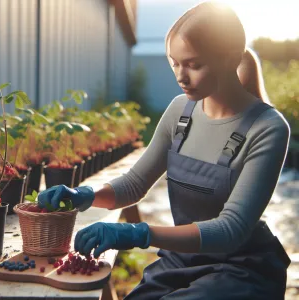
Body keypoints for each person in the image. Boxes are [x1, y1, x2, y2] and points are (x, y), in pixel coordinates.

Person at [38, 2, 291, 299]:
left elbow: (230, 229)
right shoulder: (179, 112)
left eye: (194, 65)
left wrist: (140, 234)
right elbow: (134, 184)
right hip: (183, 259)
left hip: (240, 269)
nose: (181, 76)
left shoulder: (267, 128)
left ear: (230, 58)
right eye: (174, 62)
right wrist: (85, 195)